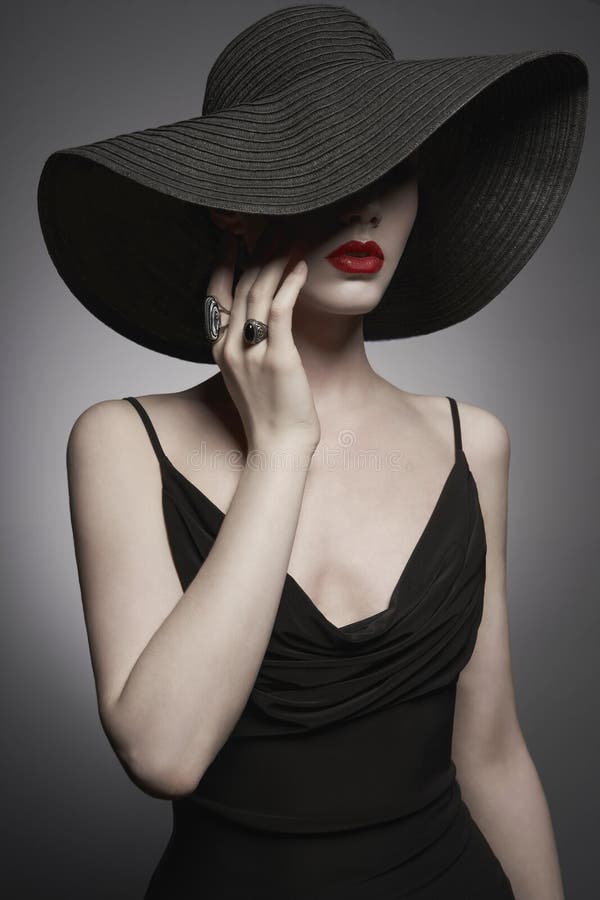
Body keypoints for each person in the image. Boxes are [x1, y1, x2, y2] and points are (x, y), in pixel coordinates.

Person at [37, 5, 588, 898]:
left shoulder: (471, 442)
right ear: (233, 211)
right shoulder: (121, 441)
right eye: (326, 170)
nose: (368, 200)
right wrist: (281, 445)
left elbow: (491, 755)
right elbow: (165, 753)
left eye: (393, 166)